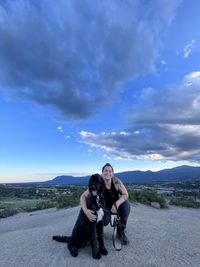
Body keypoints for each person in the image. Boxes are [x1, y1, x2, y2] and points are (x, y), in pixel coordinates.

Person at [80, 163, 131, 245]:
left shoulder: (116, 182)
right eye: (105, 171)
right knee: (105, 220)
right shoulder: (98, 183)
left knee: (126, 205)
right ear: (102, 173)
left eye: (110, 171)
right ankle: (96, 232)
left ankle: (120, 231)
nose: (108, 172)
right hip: (104, 210)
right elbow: (83, 197)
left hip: (116, 208)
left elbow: (125, 195)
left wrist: (116, 204)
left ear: (113, 173)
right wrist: (85, 210)